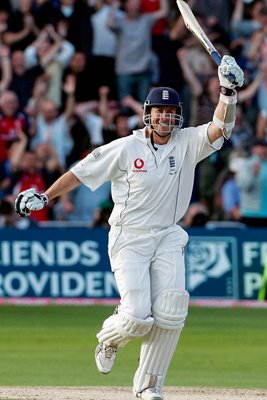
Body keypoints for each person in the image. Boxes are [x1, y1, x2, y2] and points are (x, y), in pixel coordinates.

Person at [14, 55, 244, 400]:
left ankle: (149, 386)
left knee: (171, 310)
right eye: (159, 112)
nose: (165, 118)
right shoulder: (125, 147)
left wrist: (227, 92)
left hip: (167, 233)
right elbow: (81, 171)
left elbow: (220, 128)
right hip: (129, 236)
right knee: (137, 318)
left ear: (176, 116)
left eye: (170, 113)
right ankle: (108, 340)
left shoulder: (187, 142)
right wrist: (46, 197)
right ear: (148, 115)